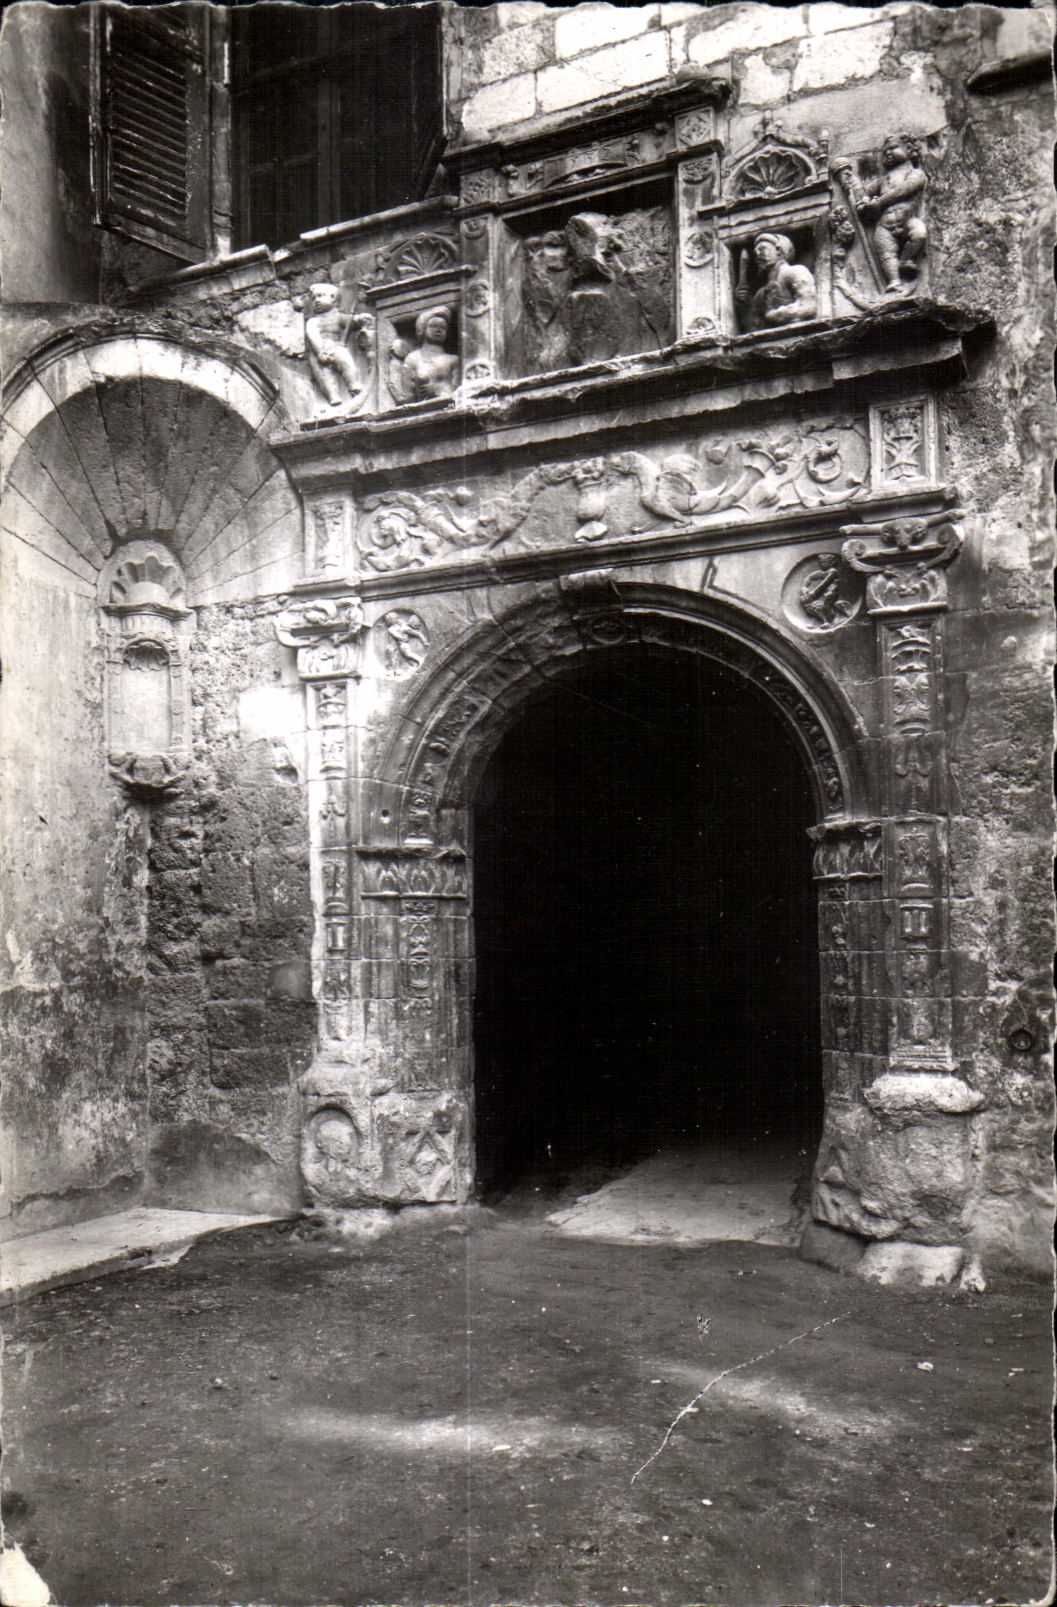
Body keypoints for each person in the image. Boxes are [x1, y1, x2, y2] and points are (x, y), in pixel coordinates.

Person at [833, 136, 927, 293]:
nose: (888, 153)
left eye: (893, 148)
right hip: (885, 224)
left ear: (910, 150)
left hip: (908, 220)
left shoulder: (915, 173)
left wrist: (879, 202)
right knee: (886, 252)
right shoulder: (883, 180)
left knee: (919, 233)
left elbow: (905, 189)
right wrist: (852, 182)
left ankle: (906, 260)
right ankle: (894, 282)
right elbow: (863, 193)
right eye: (885, 151)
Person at [737, 232, 817, 330]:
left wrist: (773, 315)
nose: (757, 255)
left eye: (762, 249)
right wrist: (744, 305)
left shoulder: (794, 271)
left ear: (778, 250)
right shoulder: (761, 294)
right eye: (755, 252)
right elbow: (753, 328)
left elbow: (808, 307)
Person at [303, 283, 363, 411]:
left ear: (334, 300)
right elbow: (312, 335)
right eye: (313, 298)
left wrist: (359, 320)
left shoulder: (338, 316)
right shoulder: (313, 321)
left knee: (347, 363)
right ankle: (333, 397)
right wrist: (319, 351)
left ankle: (353, 384)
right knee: (323, 374)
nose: (316, 300)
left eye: (320, 296)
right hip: (320, 349)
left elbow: (350, 322)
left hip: (336, 346)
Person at [391, 306, 460, 402]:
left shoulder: (453, 360)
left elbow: (458, 390)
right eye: (433, 326)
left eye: (443, 327)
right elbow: (407, 395)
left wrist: (437, 389)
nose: (438, 330)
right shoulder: (412, 358)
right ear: (423, 329)